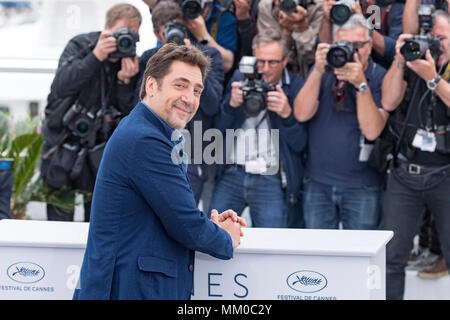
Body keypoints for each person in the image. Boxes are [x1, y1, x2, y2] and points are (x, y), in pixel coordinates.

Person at [73, 43, 246, 300]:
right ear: (151, 86)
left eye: (197, 90)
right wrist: (225, 237)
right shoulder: (144, 139)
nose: (190, 98)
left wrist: (210, 224)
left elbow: (165, 211)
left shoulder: (150, 132)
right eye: (180, 85)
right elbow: (184, 224)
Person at [40, 3, 142, 222]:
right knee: (58, 223)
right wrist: (95, 56)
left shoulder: (131, 63)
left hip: (98, 154)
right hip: (61, 146)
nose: (124, 41)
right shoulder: (81, 45)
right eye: (120, 34)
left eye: (132, 36)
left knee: (96, 223)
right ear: (106, 28)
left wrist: (125, 82)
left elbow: (128, 117)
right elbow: (61, 86)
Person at [294, 14, 388, 230]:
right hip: (318, 183)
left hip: (362, 186)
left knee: (359, 258)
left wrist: (361, 84)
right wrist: (317, 71)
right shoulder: (325, 71)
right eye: (344, 45)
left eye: (358, 45)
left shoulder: (380, 76)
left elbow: (373, 130)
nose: (352, 52)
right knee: (318, 257)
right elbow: (300, 113)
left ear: (370, 45)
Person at [380, 10, 450, 299]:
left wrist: (432, 78)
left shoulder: (433, 69)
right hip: (406, 174)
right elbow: (388, 100)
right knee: (392, 258)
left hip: (445, 175)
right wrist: (400, 60)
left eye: (442, 38)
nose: (434, 43)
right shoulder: (412, 59)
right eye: (431, 36)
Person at [209, 34, 308, 228]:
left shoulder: (294, 87)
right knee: (214, 232)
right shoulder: (240, 78)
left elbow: (301, 144)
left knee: (273, 245)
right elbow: (217, 130)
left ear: (285, 60)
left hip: (270, 176)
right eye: (260, 61)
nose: (265, 69)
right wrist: (231, 106)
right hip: (233, 172)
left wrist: (286, 114)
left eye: (273, 62)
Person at [136, 0, 225, 204]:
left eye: (179, 27)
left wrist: (193, 61)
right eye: (168, 29)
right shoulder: (149, 59)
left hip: (191, 154)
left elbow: (211, 105)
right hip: (153, 151)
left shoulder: (210, 55)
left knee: (181, 215)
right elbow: (138, 106)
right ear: (158, 33)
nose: (175, 34)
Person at [318, 0, 405, 70]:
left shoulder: (393, 8)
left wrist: (363, 22)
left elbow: (395, 50)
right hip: (341, 65)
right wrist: (327, 19)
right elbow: (325, 45)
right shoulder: (341, 7)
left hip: (378, 71)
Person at [257, 0, 324, 79]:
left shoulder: (318, 7)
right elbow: (269, 56)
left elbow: (311, 58)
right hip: (278, 77)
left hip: (310, 75)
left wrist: (302, 28)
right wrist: (286, 32)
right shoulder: (267, 7)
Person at [183, 0, 239, 73]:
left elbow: (227, 64)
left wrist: (204, 37)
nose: (192, 10)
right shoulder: (172, 13)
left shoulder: (224, 17)